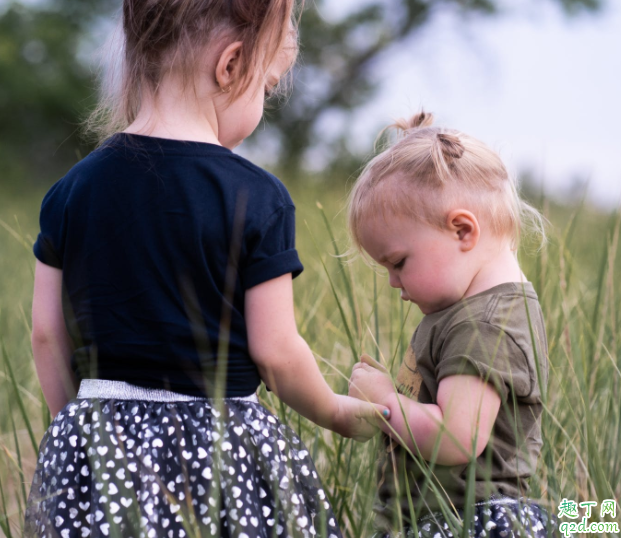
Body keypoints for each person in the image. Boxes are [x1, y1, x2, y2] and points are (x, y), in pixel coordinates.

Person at [24, 1, 389, 537]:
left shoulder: (71, 190)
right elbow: (276, 352)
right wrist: (334, 410)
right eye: (266, 87)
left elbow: (45, 336)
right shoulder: (258, 197)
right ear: (231, 65)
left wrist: (76, 433)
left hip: (97, 441)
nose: (263, 103)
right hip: (220, 449)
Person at [347, 111, 558, 537]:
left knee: (576, 521)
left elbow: (457, 438)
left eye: (399, 262)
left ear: (462, 231)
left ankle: (600, 520)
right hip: (444, 518)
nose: (392, 282)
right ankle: (598, 520)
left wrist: (387, 403)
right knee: (580, 520)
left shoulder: (485, 323)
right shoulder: (466, 311)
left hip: (474, 520)